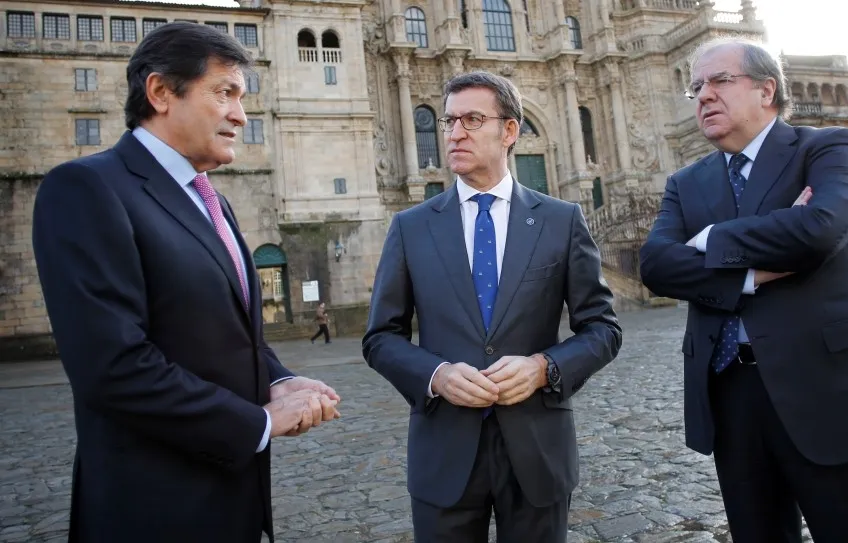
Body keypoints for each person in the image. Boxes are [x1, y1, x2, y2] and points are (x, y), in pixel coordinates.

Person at [32, 22, 341, 543]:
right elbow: (112, 367)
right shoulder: (86, 188)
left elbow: (228, 331)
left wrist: (278, 380)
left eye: (242, 97)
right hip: (153, 509)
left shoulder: (211, 200)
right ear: (160, 92)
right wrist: (260, 423)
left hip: (231, 500)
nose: (241, 115)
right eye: (224, 93)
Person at [639, 38, 848, 542]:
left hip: (832, 385)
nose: (703, 95)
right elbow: (656, 265)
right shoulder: (685, 182)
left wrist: (708, 239)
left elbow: (820, 229)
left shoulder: (826, 147)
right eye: (696, 87)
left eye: (719, 81)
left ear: (766, 89)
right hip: (731, 395)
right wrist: (752, 272)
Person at [362, 71, 622, 543]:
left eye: (472, 120)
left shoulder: (561, 221)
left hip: (538, 452)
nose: (454, 133)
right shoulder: (411, 227)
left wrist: (544, 368)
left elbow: (603, 329)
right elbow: (380, 338)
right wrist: (436, 375)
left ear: (509, 131)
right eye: (449, 121)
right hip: (444, 453)